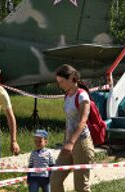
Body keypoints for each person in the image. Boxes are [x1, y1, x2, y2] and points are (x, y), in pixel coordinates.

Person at [50, 64, 95, 192]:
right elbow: (69, 121)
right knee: (55, 180)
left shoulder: (82, 96)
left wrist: (70, 143)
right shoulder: (67, 95)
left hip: (81, 144)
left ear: (71, 78)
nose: (60, 85)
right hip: (68, 143)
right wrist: (66, 141)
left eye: (62, 82)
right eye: (58, 82)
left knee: (81, 187)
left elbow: (82, 122)